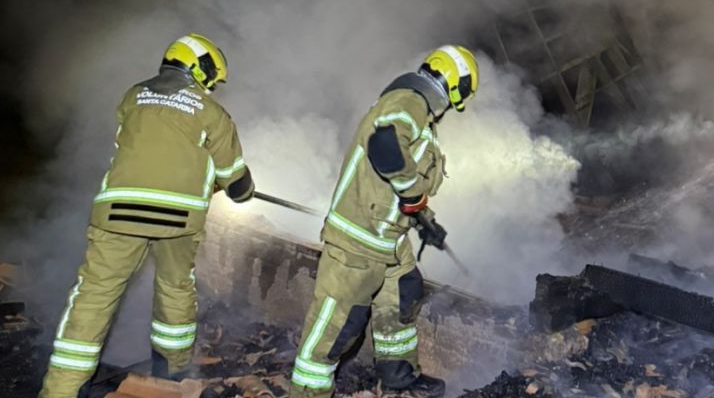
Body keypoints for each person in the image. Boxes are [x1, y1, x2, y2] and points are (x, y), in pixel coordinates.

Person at [39, 33, 255, 398]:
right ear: (201, 68)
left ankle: (60, 389)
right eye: (213, 79)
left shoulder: (132, 96)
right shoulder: (212, 113)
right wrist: (229, 184)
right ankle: (170, 374)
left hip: (117, 211)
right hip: (178, 218)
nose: (213, 87)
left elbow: (139, 148)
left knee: (94, 296)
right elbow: (238, 185)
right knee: (175, 288)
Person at [289, 45, 479, 398]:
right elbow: (387, 147)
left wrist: (425, 219)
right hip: (358, 242)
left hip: (389, 240)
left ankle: (398, 374)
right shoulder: (408, 102)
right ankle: (307, 391)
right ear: (455, 87)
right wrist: (412, 195)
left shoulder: (417, 111)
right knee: (340, 326)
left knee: (404, 291)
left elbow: (400, 183)